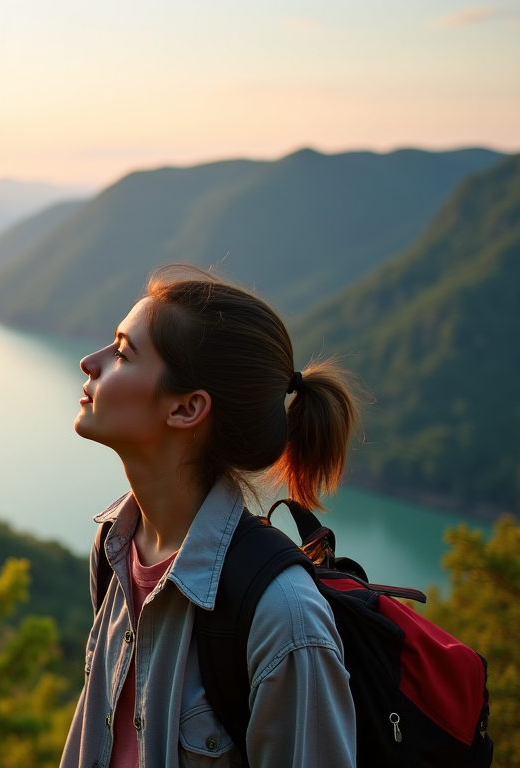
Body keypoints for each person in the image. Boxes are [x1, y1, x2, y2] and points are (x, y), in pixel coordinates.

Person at [60, 265, 360, 768]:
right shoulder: (115, 548)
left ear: (186, 408)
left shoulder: (283, 618)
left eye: (122, 352)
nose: (91, 362)